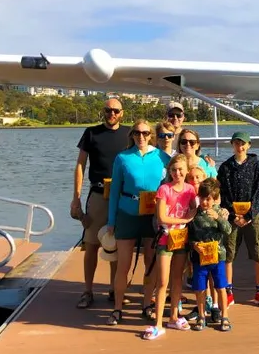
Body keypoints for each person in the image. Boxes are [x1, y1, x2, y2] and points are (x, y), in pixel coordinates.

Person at [106, 119, 171, 326]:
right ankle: (117, 308)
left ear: (150, 134)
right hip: (127, 213)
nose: (140, 137)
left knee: (150, 264)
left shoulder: (162, 157)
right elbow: (115, 190)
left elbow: (176, 181)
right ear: (132, 135)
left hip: (153, 215)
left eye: (144, 133)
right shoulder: (122, 158)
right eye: (136, 133)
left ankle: (146, 305)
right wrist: (111, 220)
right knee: (123, 265)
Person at [71, 98, 130, 309]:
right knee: (92, 244)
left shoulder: (129, 134)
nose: (111, 114)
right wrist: (76, 198)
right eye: (108, 110)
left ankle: (115, 289)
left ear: (122, 113)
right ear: (103, 112)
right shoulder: (91, 133)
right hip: (97, 195)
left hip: (122, 195)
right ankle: (87, 291)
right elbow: (80, 165)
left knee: (118, 244)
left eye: (115, 111)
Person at [143, 154, 197, 340]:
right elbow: (162, 218)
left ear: (186, 171)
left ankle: (174, 316)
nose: (177, 173)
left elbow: (195, 208)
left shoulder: (190, 190)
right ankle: (158, 323)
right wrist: (184, 219)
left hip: (181, 239)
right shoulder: (164, 189)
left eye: (181, 169)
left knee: (177, 279)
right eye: (174, 170)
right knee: (163, 281)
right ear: (169, 171)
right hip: (165, 239)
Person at [218, 131, 259, 308]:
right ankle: (228, 292)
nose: (239, 147)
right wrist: (233, 216)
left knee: (257, 252)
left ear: (249, 145)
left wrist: (249, 216)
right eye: (236, 143)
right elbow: (222, 193)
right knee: (228, 253)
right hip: (232, 218)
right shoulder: (225, 167)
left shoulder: (256, 165)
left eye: (243, 144)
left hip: (252, 218)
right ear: (232, 145)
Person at [188, 178, 231, 331]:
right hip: (199, 258)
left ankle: (224, 315)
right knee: (199, 289)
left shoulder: (220, 212)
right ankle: (201, 316)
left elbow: (228, 230)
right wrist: (194, 245)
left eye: (208, 199)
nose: (205, 202)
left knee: (221, 287)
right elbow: (189, 236)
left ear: (214, 199)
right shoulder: (194, 215)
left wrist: (218, 218)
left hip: (218, 257)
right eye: (202, 198)